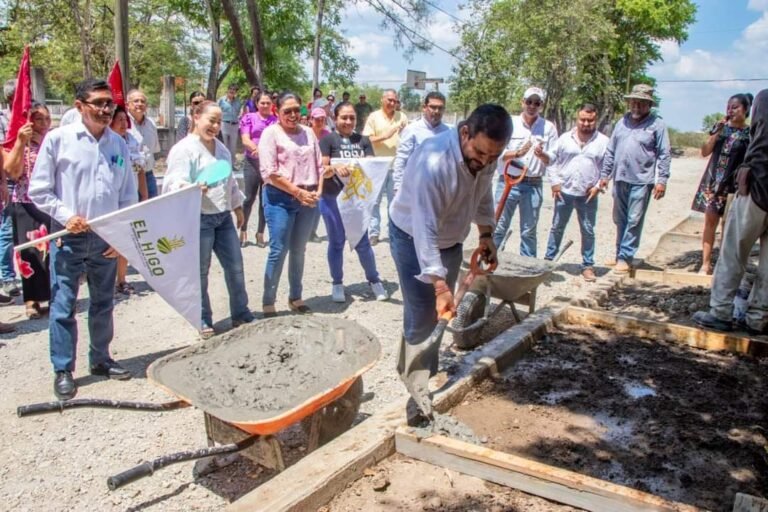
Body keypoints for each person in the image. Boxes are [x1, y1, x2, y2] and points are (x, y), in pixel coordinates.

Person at [389, 104, 512, 422]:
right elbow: (424, 228)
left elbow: (483, 194)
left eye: (493, 157)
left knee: (440, 313)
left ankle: (423, 372)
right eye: (481, 152)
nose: (484, 161)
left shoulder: (486, 157)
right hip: (410, 235)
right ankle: (416, 393)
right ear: (464, 133)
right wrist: (441, 284)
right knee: (421, 312)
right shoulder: (433, 163)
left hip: (450, 239)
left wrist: (486, 235)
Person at [29, 78, 138, 400]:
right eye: (99, 104)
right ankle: (63, 369)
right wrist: (66, 216)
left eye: (110, 104)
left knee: (103, 303)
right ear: (80, 106)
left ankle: (101, 359)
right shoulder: (59, 140)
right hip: (69, 238)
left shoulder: (117, 144)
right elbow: (39, 190)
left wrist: (120, 236)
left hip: (106, 239)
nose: (106, 110)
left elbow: (127, 195)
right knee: (64, 306)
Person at [163, 100, 254, 339]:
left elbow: (230, 181)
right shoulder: (184, 150)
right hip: (199, 219)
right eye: (211, 120)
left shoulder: (222, 149)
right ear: (196, 116)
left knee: (235, 266)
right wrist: (192, 187)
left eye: (218, 121)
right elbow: (173, 182)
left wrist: (238, 207)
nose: (215, 126)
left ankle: (241, 312)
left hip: (222, 217)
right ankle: (203, 318)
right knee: (200, 271)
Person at [693, 89, 768, 334]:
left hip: (758, 185)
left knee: (733, 251)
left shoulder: (764, 98)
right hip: (756, 182)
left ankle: (721, 312)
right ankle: (759, 318)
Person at [258, 92, 323, 317]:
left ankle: (296, 297)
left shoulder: (308, 133)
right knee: (279, 249)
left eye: (297, 110)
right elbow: (269, 172)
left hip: (308, 198)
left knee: (299, 250)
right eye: (288, 111)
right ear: (277, 111)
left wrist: (318, 191)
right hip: (280, 199)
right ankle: (269, 301)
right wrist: (297, 192)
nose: (293, 115)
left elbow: (319, 165)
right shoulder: (270, 134)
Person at [319, 101, 389, 303]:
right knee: (336, 242)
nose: (348, 121)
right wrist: (334, 167)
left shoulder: (364, 140)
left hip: (357, 201)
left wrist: (353, 168)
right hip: (332, 199)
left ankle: (374, 280)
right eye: (344, 117)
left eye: (352, 118)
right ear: (335, 118)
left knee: (363, 242)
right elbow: (323, 169)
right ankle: (337, 282)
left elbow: (371, 168)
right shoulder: (327, 141)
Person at [599, 84, 671, 273]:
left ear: (649, 105)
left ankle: (626, 256)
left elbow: (664, 154)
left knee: (634, 219)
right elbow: (610, 150)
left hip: (642, 180)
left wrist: (661, 180)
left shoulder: (657, 125)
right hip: (620, 178)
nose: (636, 107)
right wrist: (605, 175)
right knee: (619, 219)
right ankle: (619, 254)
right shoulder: (622, 123)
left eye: (641, 103)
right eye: (634, 103)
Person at [544, 104, 609, 282]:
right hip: (564, 192)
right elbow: (552, 160)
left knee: (588, 230)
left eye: (590, 120)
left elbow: (607, 168)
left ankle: (587, 266)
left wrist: (597, 186)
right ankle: (548, 263)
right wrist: (555, 182)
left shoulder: (603, 141)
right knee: (557, 227)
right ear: (577, 119)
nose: (586, 123)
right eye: (583, 119)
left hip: (588, 195)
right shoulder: (565, 138)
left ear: (595, 120)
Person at [492, 87, 557, 256]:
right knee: (498, 226)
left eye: (537, 103)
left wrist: (542, 155)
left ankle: (527, 269)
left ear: (541, 105)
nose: (532, 106)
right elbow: (496, 151)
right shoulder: (509, 123)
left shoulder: (548, 127)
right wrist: (517, 153)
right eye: (529, 102)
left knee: (529, 231)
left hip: (533, 184)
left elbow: (553, 158)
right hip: (508, 181)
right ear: (522, 102)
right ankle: (487, 264)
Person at [691, 93, 752, 275]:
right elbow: (705, 152)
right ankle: (705, 264)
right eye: (728, 107)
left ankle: (724, 266)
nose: (730, 111)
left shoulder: (749, 133)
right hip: (713, 183)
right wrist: (716, 132)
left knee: (729, 225)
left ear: (746, 110)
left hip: (733, 186)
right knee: (710, 222)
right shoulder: (720, 129)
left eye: (735, 107)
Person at [3, 103, 52, 319]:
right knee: (29, 254)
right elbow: (12, 172)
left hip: (51, 204)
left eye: (46, 119)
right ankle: (31, 300)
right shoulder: (17, 143)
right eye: (38, 119)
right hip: (25, 203)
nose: (43, 124)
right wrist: (22, 143)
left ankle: (53, 296)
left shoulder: (53, 141)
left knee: (51, 253)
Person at [110, 106, 149, 296]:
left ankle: (122, 279)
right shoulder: (106, 144)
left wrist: (144, 194)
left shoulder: (133, 142)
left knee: (126, 239)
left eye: (125, 120)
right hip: (110, 200)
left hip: (129, 196)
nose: (123, 123)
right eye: (119, 120)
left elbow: (140, 170)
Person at [364, 89, 408, 245]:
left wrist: (404, 132)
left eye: (394, 101)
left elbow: (407, 138)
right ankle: (374, 233)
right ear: (382, 100)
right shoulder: (373, 117)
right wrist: (386, 135)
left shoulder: (402, 116)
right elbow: (367, 139)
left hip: (397, 166)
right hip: (377, 166)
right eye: (389, 100)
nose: (392, 103)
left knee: (394, 201)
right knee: (374, 201)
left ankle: (392, 232)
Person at [239, 92, 277, 248]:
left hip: (269, 164)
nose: (265, 105)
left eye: (268, 103)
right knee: (249, 198)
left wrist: (264, 152)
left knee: (265, 200)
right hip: (252, 162)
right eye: (262, 103)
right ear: (257, 103)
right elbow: (245, 139)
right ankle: (243, 229)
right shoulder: (248, 118)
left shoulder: (276, 121)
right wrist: (257, 149)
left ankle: (260, 233)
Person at [393, 91, 450, 193]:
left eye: (440, 108)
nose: (437, 111)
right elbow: (401, 159)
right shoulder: (412, 130)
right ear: (424, 107)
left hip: (440, 190)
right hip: (415, 188)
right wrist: (398, 186)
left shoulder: (449, 132)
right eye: (433, 107)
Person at [0, 79, 19, 297]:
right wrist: (3, 181)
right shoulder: (2, 120)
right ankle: (7, 277)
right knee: (6, 232)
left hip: (28, 184)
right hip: (8, 182)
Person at [127, 89, 160, 199]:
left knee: (152, 211)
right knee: (135, 214)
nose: (140, 104)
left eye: (143, 101)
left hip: (149, 174)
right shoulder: (123, 123)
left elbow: (154, 149)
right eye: (136, 101)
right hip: (131, 177)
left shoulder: (151, 123)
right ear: (128, 105)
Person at [218, 84, 242, 162]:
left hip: (234, 125)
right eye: (231, 89)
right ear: (228, 90)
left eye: (234, 90)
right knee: (224, 146)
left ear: (236, 92)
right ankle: (224, 164)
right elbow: (216, 111)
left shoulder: (238, 101)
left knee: (233, 147)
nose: (232, 91)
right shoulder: (221, 100)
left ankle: (232, 164)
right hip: (224, 124)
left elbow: (239, 112)